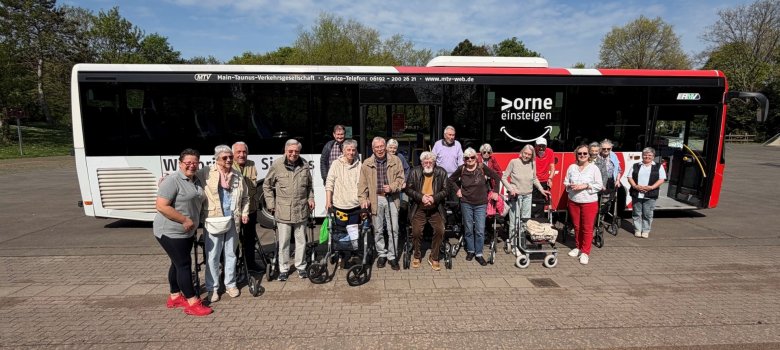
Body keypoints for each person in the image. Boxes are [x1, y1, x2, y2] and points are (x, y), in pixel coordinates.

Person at [153, 148, 212, 316]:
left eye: (195, 162)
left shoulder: (195, 179)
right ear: (180, 164)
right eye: (188, 163)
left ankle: (175, 296)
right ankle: (192, 302)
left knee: (176, 263)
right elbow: (161, 206)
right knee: (184, 265)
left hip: (186, 232)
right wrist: (184, 220)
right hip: (171, 231)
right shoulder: (172, 180)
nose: (192, 166)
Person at [200, 145, 249, 302]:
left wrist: (245, 212)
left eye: (230, 157)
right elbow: (188, 180)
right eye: (225, 158)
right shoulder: (206, 173)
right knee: (213, 256)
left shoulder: (237, 175)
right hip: (213, 220)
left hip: (232, 220)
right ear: (217, 159)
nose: (229, 160)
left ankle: (230, 284)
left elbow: (246, 197)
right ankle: (212, 288)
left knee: (231, 254)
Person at [263, 139, 315, 280]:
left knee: (301, 241)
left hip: (301, 210)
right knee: (284, 242)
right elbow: (266, 186)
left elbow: (310, 186)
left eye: (296, 151)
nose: (293, 154)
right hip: (283, 211)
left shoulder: (304, 164)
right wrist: (270, 204)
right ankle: (284, 269)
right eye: (290, 151)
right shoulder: (277, 165)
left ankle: (301, 266)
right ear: (285, 151)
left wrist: (311, 198)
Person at [359, 137, 405, 270]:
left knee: (393, 229)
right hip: (375, 199)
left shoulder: (395, 160)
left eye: (381, 146)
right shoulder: (366, 163)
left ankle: (392, 256)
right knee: (378, 230)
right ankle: (382, 254)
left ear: (385, 147)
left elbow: (401, 179)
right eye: (376, 147)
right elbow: (362, 185)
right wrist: (363, 199)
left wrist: (392, 187)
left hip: (392, 198)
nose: (379, 149)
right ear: (373, 149)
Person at [450, 147, 501, 266]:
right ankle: (471, 251)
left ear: (476, 158)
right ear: (464, 159)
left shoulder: (481, 167)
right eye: (467, 158)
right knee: (468, 229)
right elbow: (450, 180)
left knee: (479, 230)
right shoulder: (462, 169)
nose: (470, 160)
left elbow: (497, 177)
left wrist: (495, 191)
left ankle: (478, 253)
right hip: (466, 202)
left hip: (481, 204)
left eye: (472, 157)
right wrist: (457, 190)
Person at [404, 151, 449, 271]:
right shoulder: (414, 172)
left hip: (435, 208)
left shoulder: (441, 172)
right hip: (419, 207)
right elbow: (408, 189)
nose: (428, 164)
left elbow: (446, 190)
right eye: (426, 162)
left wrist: (434, 198)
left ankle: (434, 257)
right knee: (417, 231)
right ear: (422, 162)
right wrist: (421, 197)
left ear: (434, 163)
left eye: (430, 162)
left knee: (440, 230)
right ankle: (417, 255)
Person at [563, 144, 603, 265]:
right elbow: (565, 181)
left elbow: (599, 185)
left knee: (587, 228)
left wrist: (585, 185)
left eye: (585, 153)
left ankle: (585, 252)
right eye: (580, 153)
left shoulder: (594, 168)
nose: (582, 155)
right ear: (576, 154)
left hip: (589, 202)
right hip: (574, 201)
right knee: (577, 226)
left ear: (589, 155)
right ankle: (578, 247)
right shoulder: (572, 167)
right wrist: (570, 186)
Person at [325, 139, 362, 263]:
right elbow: (329, 183)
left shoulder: (359, 164)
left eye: (353, 150)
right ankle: (340, 254)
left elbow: (363, 185)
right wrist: (328, 201)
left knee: (353, 232)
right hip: (340, 206)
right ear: (343, 150)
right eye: (348, 150)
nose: (351, 152)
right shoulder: (336, 164)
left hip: (355, 206)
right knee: (340, 232)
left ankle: (353, 254)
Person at [502, 144, 550, 232]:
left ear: (532, 155)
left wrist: (541, 189)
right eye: (525, 153)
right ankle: (513, 244)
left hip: (528, 196)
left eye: (529, 154)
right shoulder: (514, 162)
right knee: (514, 222)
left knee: (525, 222)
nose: (526, 156)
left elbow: (534, 178)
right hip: (516, 196)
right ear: (521, 152)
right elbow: (504, 178)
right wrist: (510, 189)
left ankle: (522, 243)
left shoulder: (532, 163)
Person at [232, 141, 261, 271]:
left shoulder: (251, 164)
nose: (242, 154)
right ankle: (235, 265)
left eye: (244, 152)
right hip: (235, 211)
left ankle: (250, 264)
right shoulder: (228, 165)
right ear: (233, 153)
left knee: (249, 239)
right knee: (234, 241)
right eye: (238, 152)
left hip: (251, 209)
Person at [626, 147, 666, 238]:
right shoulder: (636, 165)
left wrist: (651, 187)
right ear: (642, 155)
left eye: (650, 155)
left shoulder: (658, 166)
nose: (647, 157)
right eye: (645, 155)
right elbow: (629, 177)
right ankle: (637, 229)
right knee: (637, 212)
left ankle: (646, 230)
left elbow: (662, 179)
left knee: (648, 213)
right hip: (637, 192)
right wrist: (635, 186)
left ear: (653, 156)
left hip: (651, 193)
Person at [532, 138, 556, 218]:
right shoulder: (532, 152)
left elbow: (552, 167)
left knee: (541, 203)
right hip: (532, 181)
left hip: (544, 181)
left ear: (546, 146)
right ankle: (530, 220)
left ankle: (539, 221)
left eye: (543, 146)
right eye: (539, 146)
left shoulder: (550, 152)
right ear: (536, 146)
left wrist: (550, 178)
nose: (541, 148)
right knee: (531, 203)